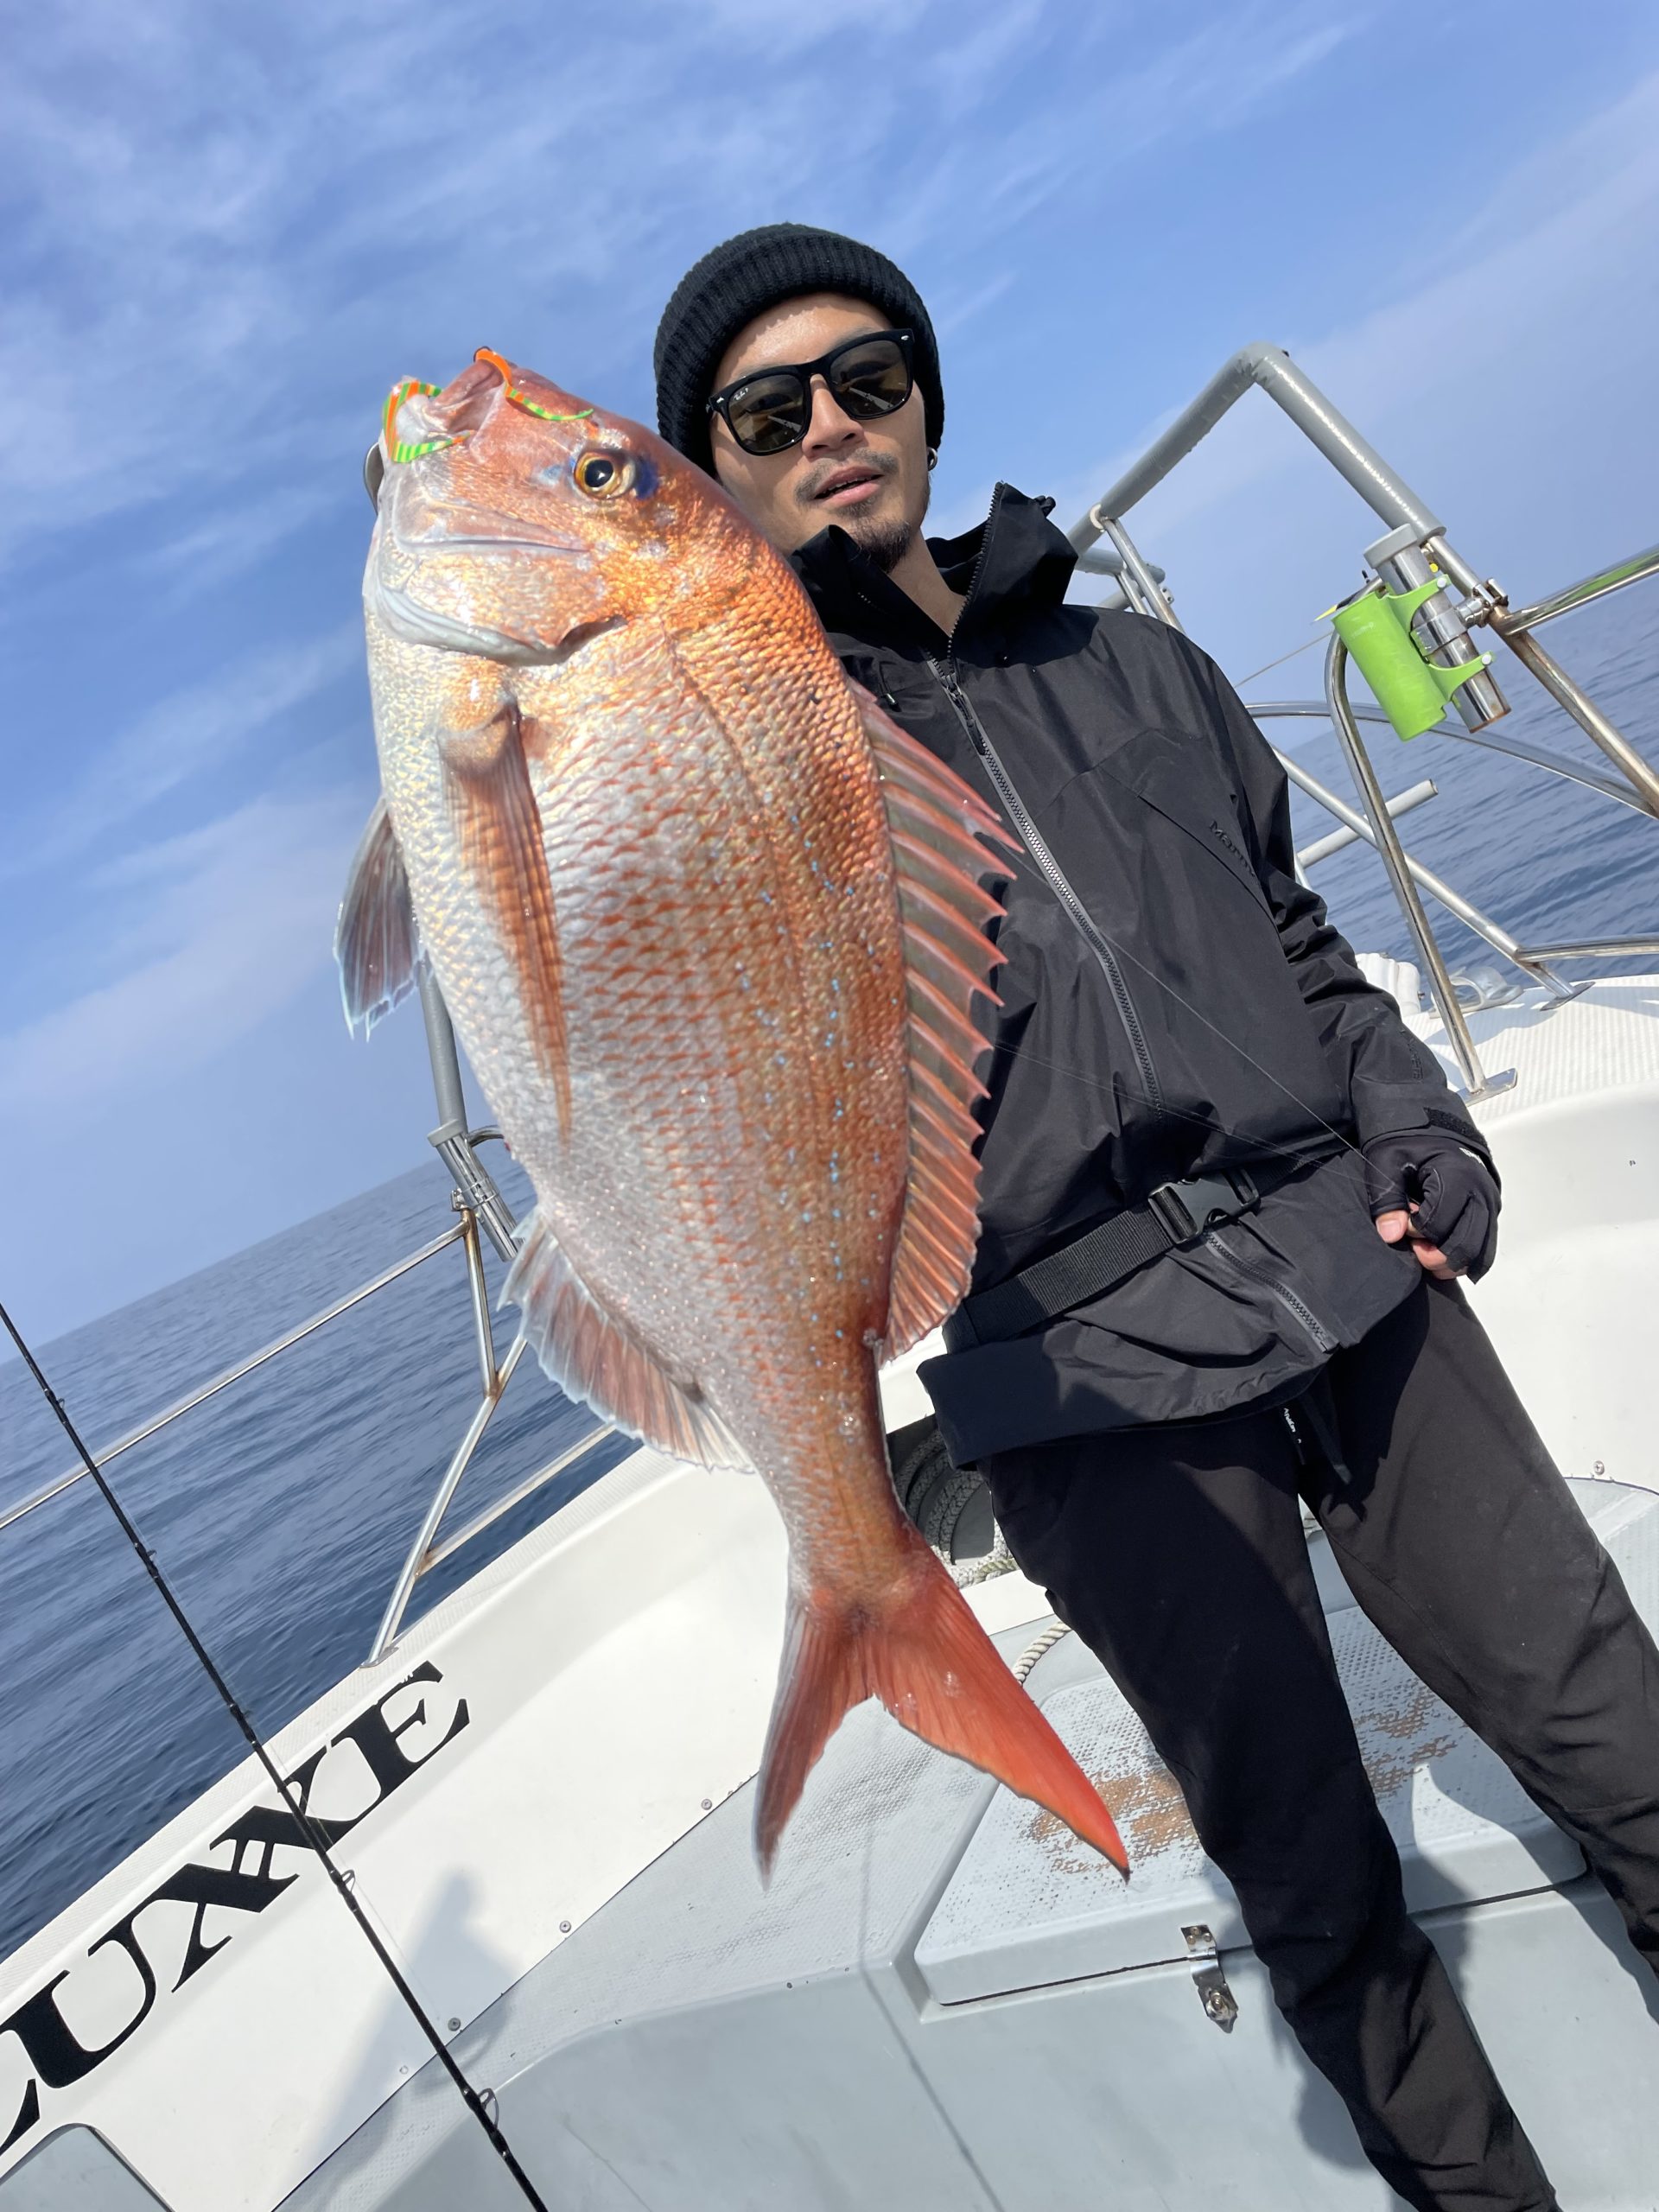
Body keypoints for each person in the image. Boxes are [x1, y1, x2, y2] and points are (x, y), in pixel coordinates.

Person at [652, 223, 1659, 2212]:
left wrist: (1415, 1118)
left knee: (1617, 1722)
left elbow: (1303, 940)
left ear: (926, 396)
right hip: (1076, 1379)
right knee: (1314, 1876)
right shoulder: (744, 769)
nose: (833, 425)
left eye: (869, 377)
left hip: (1349, 1262)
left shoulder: (1137, 661)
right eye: (767, 412)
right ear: (716, 478)